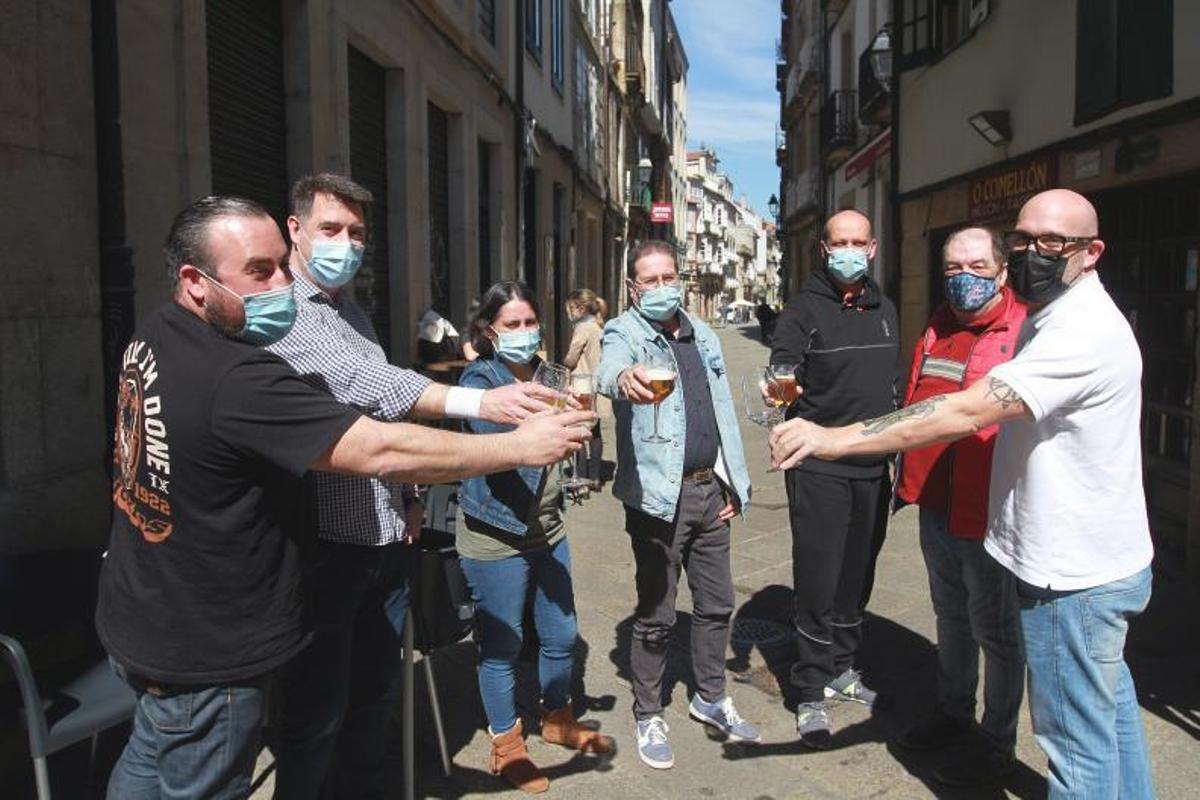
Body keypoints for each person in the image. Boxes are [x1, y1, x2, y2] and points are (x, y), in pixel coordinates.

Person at [97, 195, 593, 799]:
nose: (285, 281)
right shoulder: (234, 375)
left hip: (145, 613)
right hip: (208, 641)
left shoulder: (158, 331)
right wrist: (517, 446)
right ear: (195, 282)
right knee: (217, 770)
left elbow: (374, 389)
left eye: (283, 265)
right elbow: (377, 447)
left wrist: (432, 468)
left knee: (149, 762)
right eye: (261, 270)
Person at [770, 189, 1156, 799]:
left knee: (1076, 743)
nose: (1033, 253)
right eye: (1025, 239)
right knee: (1107, 717)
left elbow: (961, 410)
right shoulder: (1038, 316)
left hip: (1071, 569)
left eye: (1051, 243)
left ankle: (993, 745)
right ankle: (958, 717)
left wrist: (833, 438)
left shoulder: (1074, 331)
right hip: (1000, 525)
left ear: (1092, 252)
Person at [263, 173, 562, 799]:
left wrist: (406, 500)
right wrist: (484, 405)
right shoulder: (283, 311)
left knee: (374, 693)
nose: (347, 244)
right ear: (294, 230)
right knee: (317, 710)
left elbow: (385, 414)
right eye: (331, 229)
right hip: (327, 550)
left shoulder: (349, 307)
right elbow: (364, 387)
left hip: (384, 539)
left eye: (357, 233)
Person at [597, 240, 760, 770]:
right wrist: (624, 379)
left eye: (670, 276)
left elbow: (724, 415)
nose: (663, 287)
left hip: (710, 491)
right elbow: (610, 370)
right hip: (658, 497)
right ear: (632, 288)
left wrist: (734, 481)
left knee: (716, 604)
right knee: (657, 613)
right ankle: (648, 711)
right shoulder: (626, 331)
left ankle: (709, 696)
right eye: (651, 280)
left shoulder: (703, 333)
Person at [457, 281, 614, 793]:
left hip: (546, 527)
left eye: (531, 323)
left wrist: (579, 424)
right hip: (495, 533)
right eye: (512, 325)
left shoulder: (550, 373)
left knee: (562, 633)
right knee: (502, 645)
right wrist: (556, 418)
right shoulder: (481, 378)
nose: (525, 333)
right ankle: (507, 745)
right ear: (489, 331)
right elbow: (496, 444)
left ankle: (557, 716)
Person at [891, 227, 1026, 786]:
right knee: (950, 617)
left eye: (975, 266)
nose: (962, 278)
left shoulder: (1026, 329)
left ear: (1001, 270)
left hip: (988, 509)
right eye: (951, 268)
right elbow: (918, 397)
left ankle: (996, 742)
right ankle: (953, 713)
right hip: (936, 501)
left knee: (996, 632)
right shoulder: (939, 323)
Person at [769, 209, 898, 748]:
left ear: (871, 248)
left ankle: (843, 667)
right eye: (838, 242)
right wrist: (779, 388)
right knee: (819, 579)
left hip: (874, 463)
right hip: (819, 466)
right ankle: (809, 688)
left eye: (858, 241)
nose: (848, 250)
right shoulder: (803, 309)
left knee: (857, 575)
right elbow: (782, 371)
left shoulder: (885, 305)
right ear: (823, 250)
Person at [563, 288, 605, 490]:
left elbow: (572, 357)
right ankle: (596, 477)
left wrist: (562, 366)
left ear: (579, 308)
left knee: (578, 431)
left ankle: (581, 479)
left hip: (581, 383)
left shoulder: (582, 329)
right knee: (595, 432)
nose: (568, 313)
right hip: (595, 383)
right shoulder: (597, 326)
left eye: (570, 308)